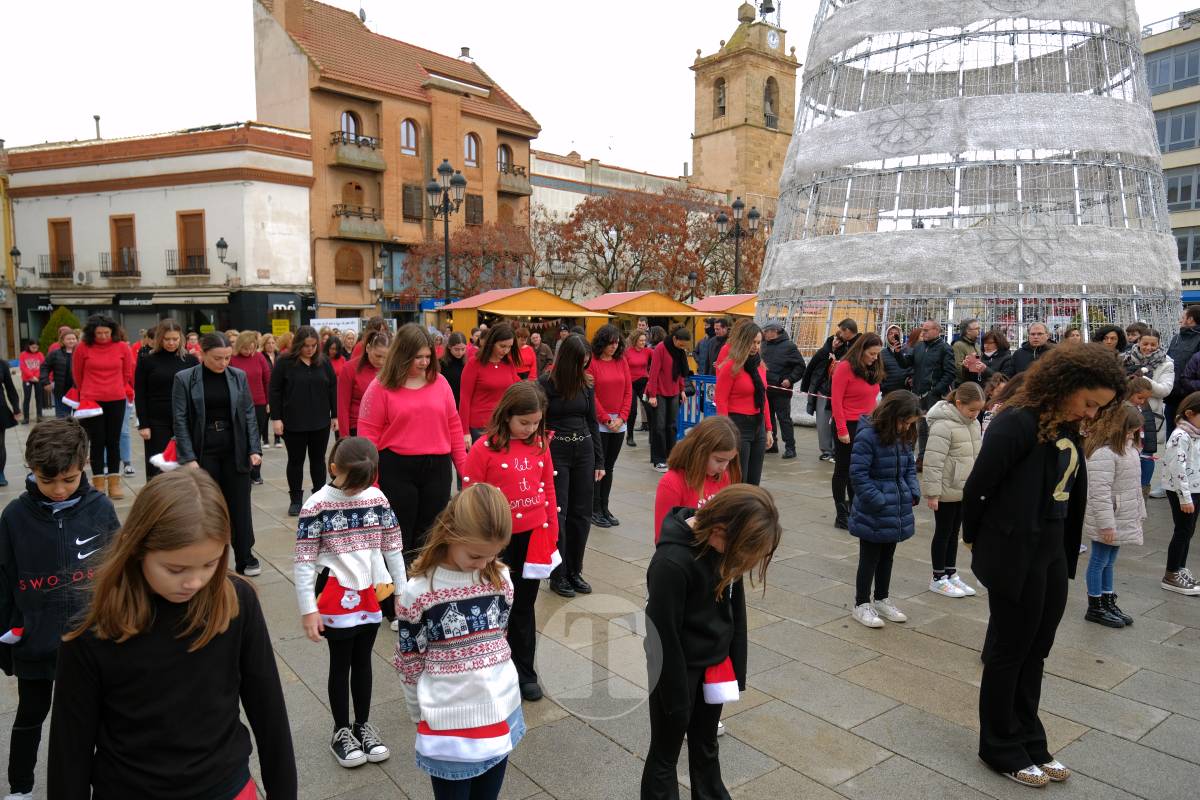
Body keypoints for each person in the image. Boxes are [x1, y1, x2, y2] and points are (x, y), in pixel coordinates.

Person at [48, 470, 296, 799]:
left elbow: (269, 713)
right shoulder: (93, 625)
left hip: (225, 786)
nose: (194, 582)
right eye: (175, 570)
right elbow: (70, 748)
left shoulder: (236, 601)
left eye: (209, 564)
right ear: (137, 549)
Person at [963, 344, 1125, 786]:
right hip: (1015, 550)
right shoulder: (1017, 421)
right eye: (1090, 402)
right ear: (1066, 385)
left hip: (1053, 549)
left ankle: (1030, 737)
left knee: (1037, 649)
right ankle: (999, 745)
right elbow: (980, 486)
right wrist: (975, 539)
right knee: (1009, 650)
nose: (1092, 413)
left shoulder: (1069, 424)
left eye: (1100, 407)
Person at [0, 419, 119, 800]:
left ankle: (102, 781)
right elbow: (3, 580)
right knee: (31, 713)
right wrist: (9, 635)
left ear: (83, 464)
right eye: (47, 480)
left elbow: (118, 570)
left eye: (68, 479)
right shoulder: (14, 518)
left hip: (90, 638)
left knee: (95, 718)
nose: (58, 489)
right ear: (32, 470)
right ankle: (20, 786)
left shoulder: (100, 508)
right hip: (35, 638)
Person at [641, 485, 781, 799]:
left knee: (706, 744)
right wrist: (675, 700)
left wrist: (736, 665)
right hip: (676, 669)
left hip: (714, 665)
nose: (745, 562)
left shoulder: (728, 547)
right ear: (719, 529)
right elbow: (662, 636)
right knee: (665, 753)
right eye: (744, 553)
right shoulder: (671, 563)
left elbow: (735, 612)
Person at [394, 483, 524, 800]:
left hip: (500, 709)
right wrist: (417, 712)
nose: (483, 563)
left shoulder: (500, 578)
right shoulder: (419, 591)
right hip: (449, 722)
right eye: (476, 554)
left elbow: (499, 638)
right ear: (450, 533)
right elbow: (409, 661)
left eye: (494, 554)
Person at [295, 436, 404, 768]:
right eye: (351, 483)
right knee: (340, 662)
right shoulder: (316, 504)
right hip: (334, 593)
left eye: (364, 483)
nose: (358, 491)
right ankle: (341, 730)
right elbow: (303, 561)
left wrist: (402, 591)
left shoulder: (377, 498)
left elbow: (393, 547)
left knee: (364, 660)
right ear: (333, 470)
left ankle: (363, 725)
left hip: (371, 590)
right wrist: (307, 610)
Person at [462, 382, 558, 703]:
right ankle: (489, 672)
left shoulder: (541, 444)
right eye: (524, 423)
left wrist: (552, 535)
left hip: (532, 538)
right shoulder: (483, 449)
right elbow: (471, 498)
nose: (531, 429)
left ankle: (525, 671)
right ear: (506, 416)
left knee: (524, 607)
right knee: (493, 607)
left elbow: (548, 491)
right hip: (496, 542)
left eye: (536, 423)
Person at [357, 324, 466, 562]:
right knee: (399, 535)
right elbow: (368, 437)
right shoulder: (380, 387)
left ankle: (423, 590)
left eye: (428, 356)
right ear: (403, 354)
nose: (424, 362)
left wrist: (464, 470)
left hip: (437, 467)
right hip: (396, 468)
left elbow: (454, 427)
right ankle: (398, 591)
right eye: (418, 357)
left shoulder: (440, 383)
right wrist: (371, 482)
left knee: (431, 535)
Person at [173, 332, 263, 577]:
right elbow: (179, 420)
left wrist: (254, 448)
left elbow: (248, 414)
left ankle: (245, 555)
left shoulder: (238, 376)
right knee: (207, 506)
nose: (223, 363)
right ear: (202, 353)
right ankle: (209, 557)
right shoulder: (185, 379)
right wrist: (188, 457)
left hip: (235, 448)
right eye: (217, 358)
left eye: (227, 358)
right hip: (204, 450)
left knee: (240, 505)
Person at [848, 391, 923, 628]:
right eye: (904, 422)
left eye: (909, 424)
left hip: (896, 506)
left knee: (887, 556)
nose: (905, 427)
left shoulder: (904, 436)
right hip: (875, 508)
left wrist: (912, 491)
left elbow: (909, 468)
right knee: (869, 558)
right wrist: (878, 500)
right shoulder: (868, 436)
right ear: (892, 415)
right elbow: (858, 475)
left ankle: (881, 599)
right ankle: (861, 603)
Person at [540, 335, 603, 598]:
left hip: (584, 449)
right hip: (557, 451)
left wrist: (600, 461)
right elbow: (538, 422)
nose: (584, 367)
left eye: (586, 362)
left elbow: (592, 422)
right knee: (560, 513)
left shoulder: (586, 383)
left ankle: (575, 570)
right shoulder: (545, 383)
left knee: (582, 513)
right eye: (579, 362)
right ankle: (559, 573)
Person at [1081, 405, 1145, 627]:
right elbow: (1099, 493)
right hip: (1109, 517)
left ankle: (1107, 599)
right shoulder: (1104, 453)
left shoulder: (1129, 449)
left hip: (1122, 515)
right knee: (1099, 560)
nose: (1132, 435)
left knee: (1110, 561)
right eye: (1129, 431)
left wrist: (1138, 512)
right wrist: (1107, 525)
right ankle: (1095, 605)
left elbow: (1134, 487)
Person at [921, 382, 984, 598]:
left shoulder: (974, 424)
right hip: (946, 489)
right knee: (943, 533)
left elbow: (976, 457)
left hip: (964, 489)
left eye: (978, 410)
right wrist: (933, 493)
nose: (975, 414)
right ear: (958, 403)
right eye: (971, 409)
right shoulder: (943, 425)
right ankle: (938, 577)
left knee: (955, 533)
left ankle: (951, 572)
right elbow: (933, 461)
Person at [270, 324, 338, 516]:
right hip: (293, 421)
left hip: (320, 422)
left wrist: (335, 415)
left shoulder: (323, 362)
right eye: (306, 345)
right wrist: (276, 418)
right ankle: (296, 499)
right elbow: (274, 390)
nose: (310, 349)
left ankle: (319, 496)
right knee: (295, 461)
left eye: (314, 345)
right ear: (298, 344)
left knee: (318, 461)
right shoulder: (284, 362)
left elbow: (333, 387)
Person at [72, 314, 134, 500]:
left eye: (107, 333)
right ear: (92, 333)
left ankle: (114, 483)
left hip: (116, 398)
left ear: (113, 332)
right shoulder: (83, 348)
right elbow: (77, 374)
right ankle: (98, 483)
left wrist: (116, 387)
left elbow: (127, 372)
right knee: (97, 441)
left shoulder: (122, 347)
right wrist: (87, 392)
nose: (103, 337)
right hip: (92, 401)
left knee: (113, 441)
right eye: (99, 333)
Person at [653, 415, 741, 538]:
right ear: (700, 452)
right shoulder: (672, 483)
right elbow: (663, 537)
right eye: (719, 460)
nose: (723, 467)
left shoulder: (723, 477)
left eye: (729, 461)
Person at [830, 333, 885, 529]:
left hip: (867, 425)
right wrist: (841, 429)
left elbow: (873, 399)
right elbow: (836, 400)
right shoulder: (845, 367)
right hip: (848, 424)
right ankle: (841, 514)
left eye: (877, 354)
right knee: (843, 470)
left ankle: (855, 508)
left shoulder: (873, 368)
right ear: (861, 350)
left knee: (860, 470)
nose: (875, 358)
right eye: (871, 353)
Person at [135, 319, 199, 479]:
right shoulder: (147, 360)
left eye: (175, 339)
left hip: (185, 420)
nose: (171, 343)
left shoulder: (191, 361)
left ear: (181, 339)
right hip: (157, 420)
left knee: (186, 464)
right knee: (158, 467)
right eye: (167, 339)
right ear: (159, 339)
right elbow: (141, 393)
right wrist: (143, 424)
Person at [715, 322, 773, 486]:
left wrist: (769, 429)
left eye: (758, 342)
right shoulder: (730, 366)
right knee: (739, 479)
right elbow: (721, 400)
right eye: (752, 342)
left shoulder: (760, 366)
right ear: (742, 341)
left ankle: (751, 511)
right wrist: (726, 431)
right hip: (737, 424)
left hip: (758, 424)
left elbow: (764, 398)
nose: (755, 347)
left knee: (754, 481)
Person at [588, 324, 632, 527]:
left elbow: (628, 391)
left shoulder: (621, 361)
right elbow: (592, 394)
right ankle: (594, 508)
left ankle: (604, 507)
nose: (614, 346)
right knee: (599, 466)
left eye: (616, 342)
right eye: (610, 342)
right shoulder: (592, 363)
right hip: (600, 422)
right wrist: (606, 419)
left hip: (619, 422)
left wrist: (622, 418)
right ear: (602, 342)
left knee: (610, 467)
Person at [1122, 327, 1174, 498]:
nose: (1148, 347)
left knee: (1147, 453)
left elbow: (1165, 390)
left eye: (1153, 344)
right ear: (1138, 342)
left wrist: (1144, 380)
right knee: (1124, 449)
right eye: (1145, 343)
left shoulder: (1166, 363)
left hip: (1150, 414)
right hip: (1125, 412)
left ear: (1159, 344)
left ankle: (1143, 489)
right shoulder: (1127, 359)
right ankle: (1126, 488)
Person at [802, 319, 859, 463]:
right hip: (825, 390)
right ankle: (826, 450)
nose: (838, 334)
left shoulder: (858, 345)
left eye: (841, 331)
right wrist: (831, 350)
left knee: (840, 420)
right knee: (823, 421)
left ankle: (838, 449)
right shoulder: (831, 344)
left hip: (845, 392)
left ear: (847, 331)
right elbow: (816, 363)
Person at [1160, 391, 1200, 595]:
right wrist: (1184, 497)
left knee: (1189, 531)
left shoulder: (1195, 435)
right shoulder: (1180, 436)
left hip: (1195, 489)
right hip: (1181, 491)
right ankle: (1171, 573)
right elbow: (1178, 469)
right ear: (1190, 413)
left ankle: (1180, 568)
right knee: (1182, 531)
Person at [459, 323, 521, 442]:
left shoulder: (508, 364)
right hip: (479, 427)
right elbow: (465, 399)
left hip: (502, 424)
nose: (506, 350)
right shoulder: (474, 364)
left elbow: (518, 388)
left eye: (509, 347)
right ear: (492, 342)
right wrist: (464, 432)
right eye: (502, 346)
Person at [646, 326, 692, 472]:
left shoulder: (679, 351)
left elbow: (678, 372)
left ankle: (671, 456)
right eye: (681, 344)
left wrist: (682, 390)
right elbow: (653, 372)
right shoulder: (660, 348)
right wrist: (652, 395)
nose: (682, 347)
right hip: (659, 392)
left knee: (671, 426)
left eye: (684, 345)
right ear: (674, 339)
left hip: (673, 392)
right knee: (659, 427)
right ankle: (659, 460)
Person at [910, 320, 955, 466]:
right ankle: (922, 458)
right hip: (918, 394)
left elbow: (950, 373)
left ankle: (935, 460)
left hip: (933, 395)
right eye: (922, 330)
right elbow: (908, 363)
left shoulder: (944, 348)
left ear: (937, 330)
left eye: (926, 330)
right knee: (921, 427)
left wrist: (935, 390)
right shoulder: (919, 347)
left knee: (935, 429)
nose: (923, 333)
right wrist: (897, 353)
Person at [230, 331, 272, 485]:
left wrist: (269, 402)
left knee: (256, 438)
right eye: (246, 348)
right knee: (241, 437)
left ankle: (256, 472)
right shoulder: (232, 359)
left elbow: (267, 380)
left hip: (259, 403)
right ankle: (244, 470)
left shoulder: (259, 357)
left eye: (252, 348)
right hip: (239, 404)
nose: (248, 351)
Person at [761, 320, 805, 460]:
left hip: (781, 390)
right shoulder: (763, 345)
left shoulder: (789, 346)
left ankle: (790, 447)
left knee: (784, 419)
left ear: (775, 331)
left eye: (766, 331)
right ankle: (772, 444)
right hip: (766, 388)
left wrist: (790, 379)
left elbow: (800, 366)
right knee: (768, 418)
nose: (764, 334)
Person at [338, 329, 390, 437]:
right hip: (357, 428)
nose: (381, 361)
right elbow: (343, 407)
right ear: (368, 348)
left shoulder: (391, 369)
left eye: (386, 357)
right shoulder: (350, 368)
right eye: (377, 356)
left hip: (384, 429)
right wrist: (344, 437)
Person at [40, 329, 76, 418]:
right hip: (61, 392)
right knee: (63, 419)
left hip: (78, 392)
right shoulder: (55, 354)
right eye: (68, 339)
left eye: (73, 339)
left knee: (81, 420)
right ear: (62, 340)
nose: (71, 341)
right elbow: (44, 367)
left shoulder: (81, 353)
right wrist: (45, 382)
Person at [625, 329, 652, 447]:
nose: (643, 342)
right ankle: (629, 436)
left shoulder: (648, 351)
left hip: (643, 383)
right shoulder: (627, 352)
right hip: (630, 384)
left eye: (644, 340)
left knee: (650, 408)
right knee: (632, 411)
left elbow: (657, 361)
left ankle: (653, 436)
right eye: (641, 340)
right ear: (635, 340)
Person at [952, 319, 988, 386]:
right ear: (968, 331)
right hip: (964, 384)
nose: (979, 331)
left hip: (976, 383)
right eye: (977, 329)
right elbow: (958, 367)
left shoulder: (976, 344)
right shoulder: (959, 345)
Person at [879, 324, 911, 395]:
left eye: (896, 334)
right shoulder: (882, 353)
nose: (893, 335)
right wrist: (883, 387)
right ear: (887, 336)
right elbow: (878, 373)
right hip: (888, 393)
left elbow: (911, 369)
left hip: (905, 393)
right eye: (890, 333)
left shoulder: (907, 351)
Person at [439, 332, 468, 409]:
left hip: (462, 402)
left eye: (463, 349)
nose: (460, 352)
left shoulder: (467, 363)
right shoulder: (441, 363)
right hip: (446, 402)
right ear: (449, 347)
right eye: (456, 349)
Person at [17, 341, 44, 424]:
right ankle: (26, 418)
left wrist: (36, 377)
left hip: (38, 379)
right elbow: (23, 367)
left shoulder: (40, 354)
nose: (34, 349)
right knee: (27, 398)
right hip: (27, 379)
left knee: (39, 397)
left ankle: (39, 416)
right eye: (33, 347)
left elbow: (42, 366)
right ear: (29, 346)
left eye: (36, 347)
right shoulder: (23, 354)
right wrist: (31, 376)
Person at [0, 368, 18, 486]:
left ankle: (0, 472)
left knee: (0, 443)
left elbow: (10, 387)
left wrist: (16, 408)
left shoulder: (2, 364)